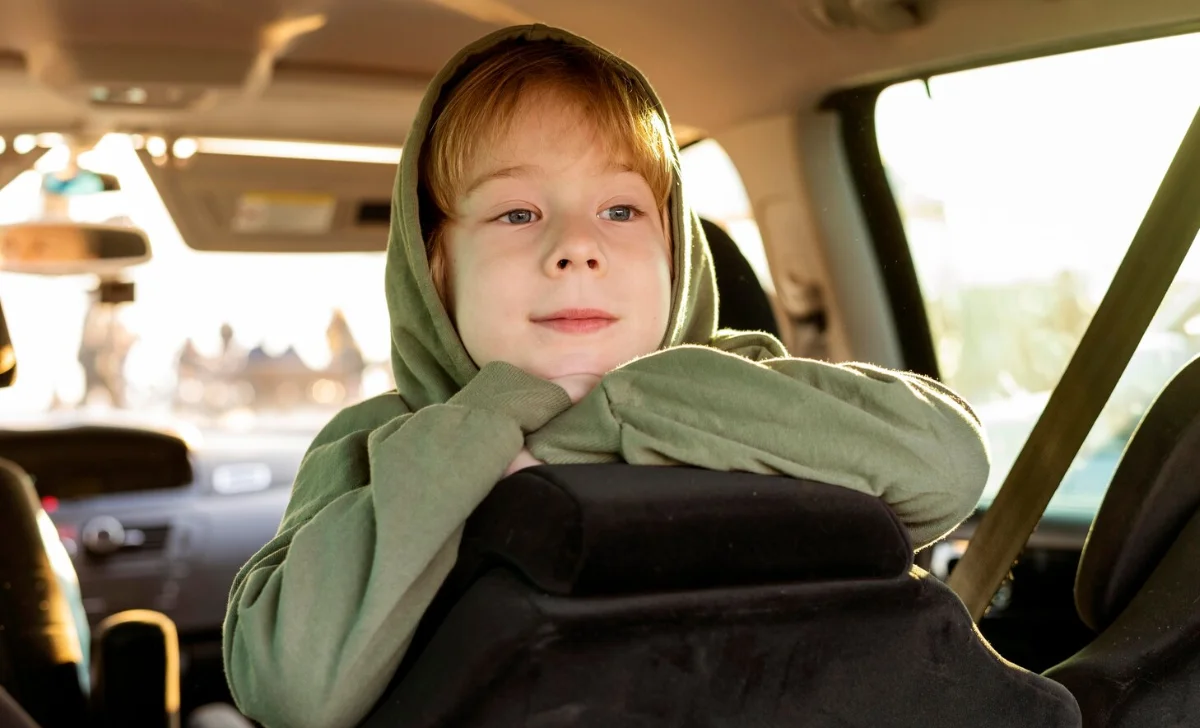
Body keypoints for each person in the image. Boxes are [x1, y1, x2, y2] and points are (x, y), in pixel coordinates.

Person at [222, 24, 990, 728]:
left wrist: (625, 405)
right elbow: (290, 686)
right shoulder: (376, 445)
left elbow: (947, 466)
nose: (577, 248)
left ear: (676, 250)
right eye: (518, 214)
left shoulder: (750, 387)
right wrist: (497, 413)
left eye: (621, 211)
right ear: (435, 266)